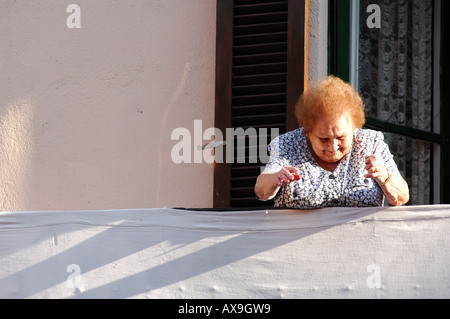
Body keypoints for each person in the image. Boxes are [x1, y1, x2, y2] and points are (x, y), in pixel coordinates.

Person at [255, 76, 410, 209]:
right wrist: (275, 178)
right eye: (324, 139)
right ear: (308, 131)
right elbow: (261, 190)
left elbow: (401, 197)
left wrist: (384, 176)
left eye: (341, 138)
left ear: (354, 127)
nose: (333, 146)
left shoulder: (371, 142)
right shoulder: (287, 144)